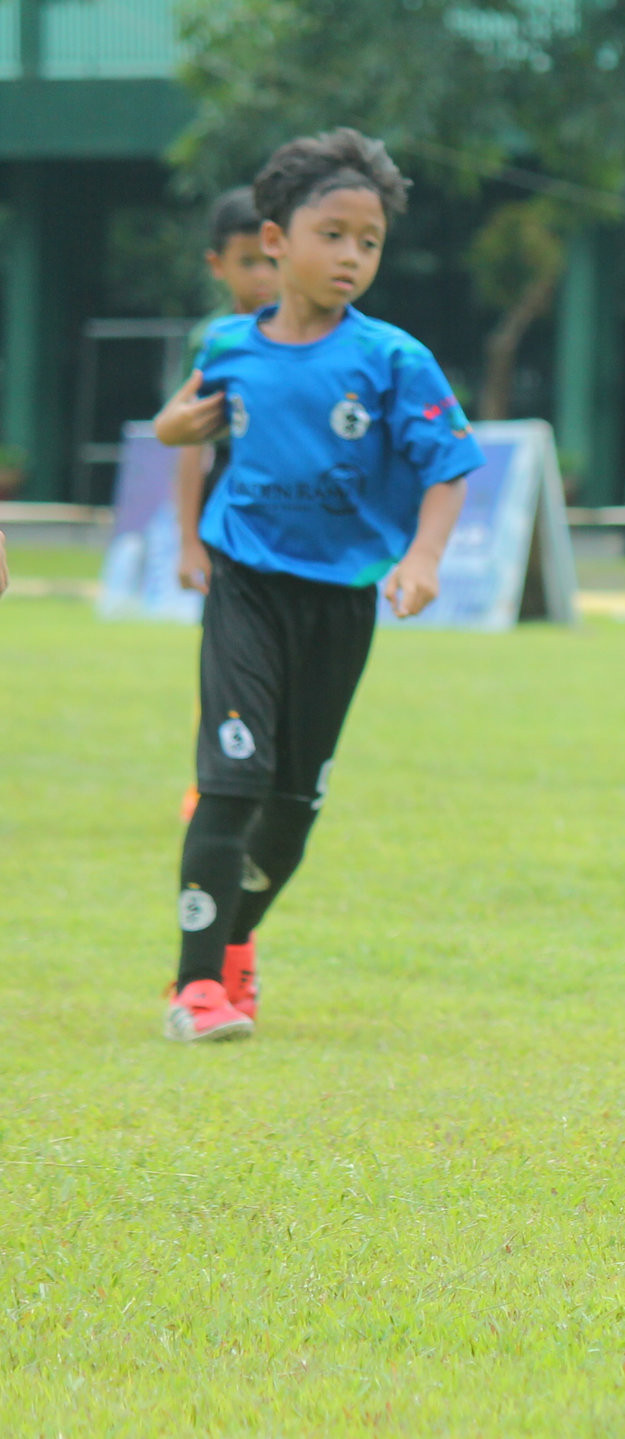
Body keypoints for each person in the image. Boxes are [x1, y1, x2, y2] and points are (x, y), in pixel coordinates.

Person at [150, 128, 481, 1042]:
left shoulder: (392, 359)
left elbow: (449, 464)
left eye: (368, 242)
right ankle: (195, 991)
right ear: (274, 239)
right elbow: (185, 423)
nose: (351, 256)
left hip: (341, 600)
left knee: (292, 808)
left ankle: (234, 946)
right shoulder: (229, 345)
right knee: (231, 779)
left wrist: (422, 559)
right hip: (247, 585)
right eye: (332, 234)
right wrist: (173, 430)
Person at [176, 186, 281, 823]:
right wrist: (189, 540)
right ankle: (209, 780)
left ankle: (273, 778)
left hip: (298, 526)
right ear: (219, 266)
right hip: (231, 525)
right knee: (224, 661)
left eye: (271, 259)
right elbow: (190, 446)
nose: (264, 275)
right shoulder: (217, 341)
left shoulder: (326, 336)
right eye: (249, 262)